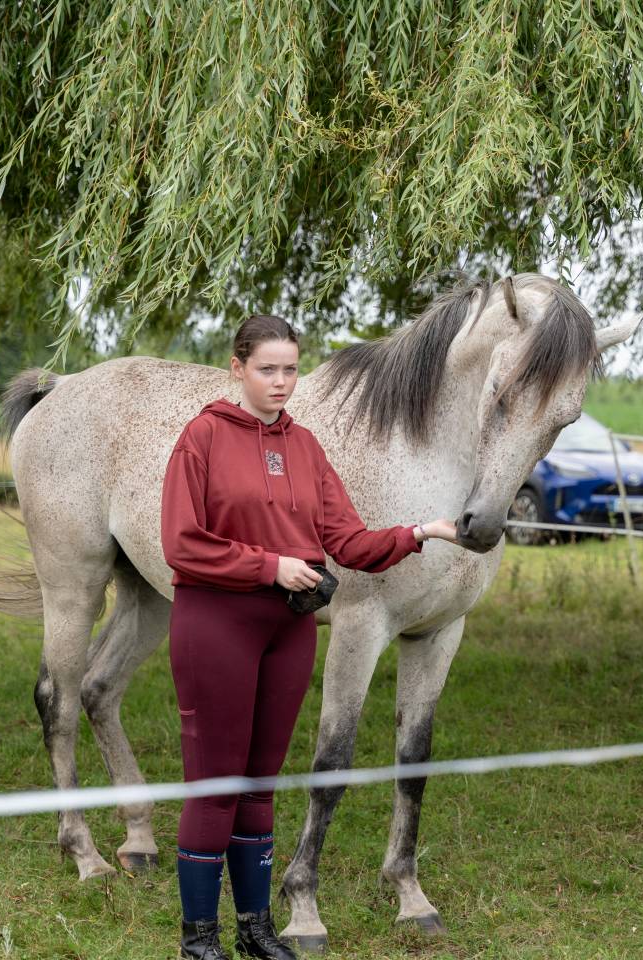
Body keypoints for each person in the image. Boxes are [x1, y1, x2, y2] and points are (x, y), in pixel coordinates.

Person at [160, 315, 457, 960]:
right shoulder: (202, 437)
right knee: (216, 784)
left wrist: (418, 533)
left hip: (288, 632)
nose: (281, 382)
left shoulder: (304, 447)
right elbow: (181, 544)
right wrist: (271, 566)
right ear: (237, 368)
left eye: (290, 369)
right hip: (216, 624)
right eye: (267, 369)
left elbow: (348, 541)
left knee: (260, 785)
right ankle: (199, 939)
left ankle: (255, 929)